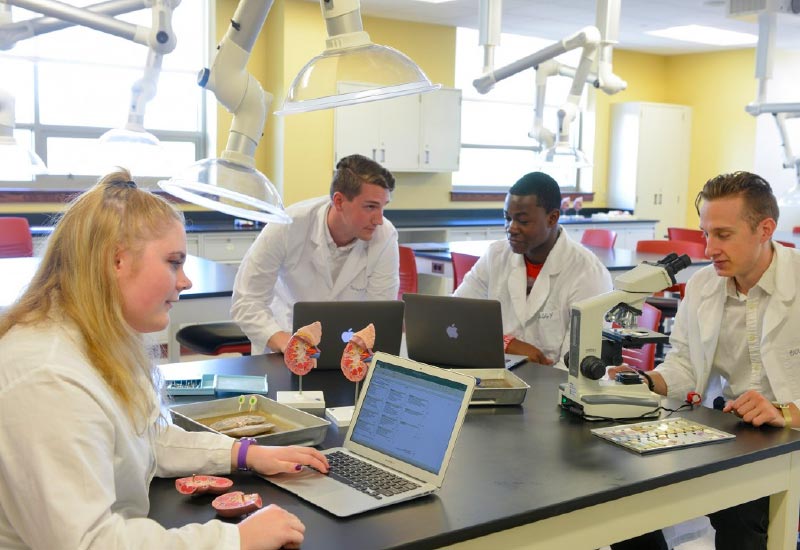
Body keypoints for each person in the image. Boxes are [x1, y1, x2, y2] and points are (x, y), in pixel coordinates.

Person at [0, 170, 330, 550]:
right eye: (174, 262)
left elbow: (146, 440)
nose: (185, 281)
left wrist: (246, 453)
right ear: (116, 261)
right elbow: (88, 543)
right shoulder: (49, 378)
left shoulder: (99, 340)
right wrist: (233, 539)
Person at [609, 171, 800, 550]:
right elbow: (683, 364)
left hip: (789, 438)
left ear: (765, 230)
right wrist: (644, 381)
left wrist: (786, 412)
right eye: (705, 234)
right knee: (621, 488)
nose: (709, 248)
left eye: (723, 235)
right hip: (729, 434)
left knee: (742, 510)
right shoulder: (702, 285)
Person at [232, 154, 399, 355]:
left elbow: (379, 314)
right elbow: (247, 301)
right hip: (283, 339)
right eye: (370, 207)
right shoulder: (287, 225)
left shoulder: (385, 236)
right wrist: (285, 343)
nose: (379, 220)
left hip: (348, 350)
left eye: (383, 207)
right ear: (339, 201)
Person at [454, 171, 613, 366]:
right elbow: (457, 318)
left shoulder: (588, 273)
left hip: (554, 387)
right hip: (498, 374)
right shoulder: (496, 255)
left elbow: (576, 364)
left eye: (523, 221)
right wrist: (507, 343)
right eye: (507, 218)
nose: (511, 228)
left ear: (552, 218)